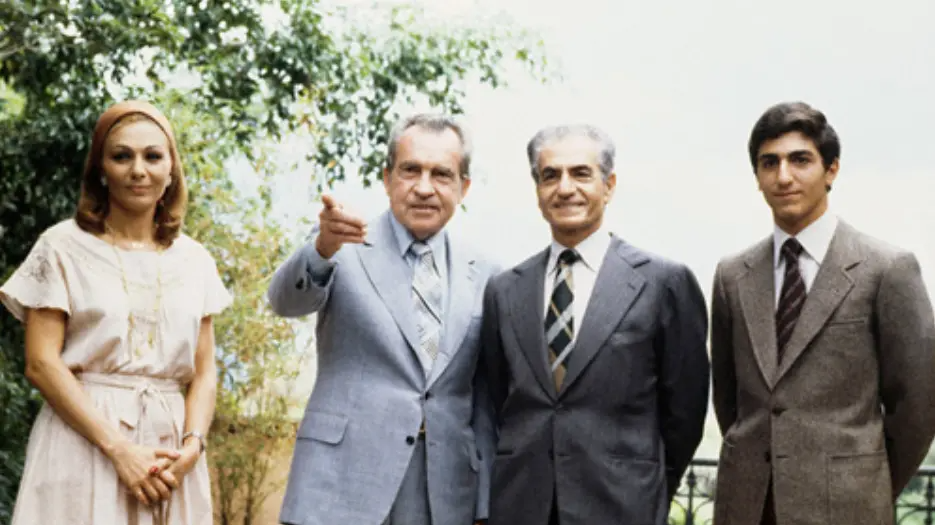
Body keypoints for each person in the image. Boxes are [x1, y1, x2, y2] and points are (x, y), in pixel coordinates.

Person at [0, 100, 232, 524]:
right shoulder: (61, 247)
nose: (138, 170)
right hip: (83, 445)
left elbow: (203, 372)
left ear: (171, 170)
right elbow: (40, 363)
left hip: (169, 455)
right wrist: (119, 450)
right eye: (122, 156)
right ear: (101, 169)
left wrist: (193, 446)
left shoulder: (195, 260)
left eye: (152, 156)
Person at [710, 101, 935, 525]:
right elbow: (729, 398)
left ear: (831, 170)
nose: (784, 176)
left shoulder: (887, 269)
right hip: (747, 505)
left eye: (800, 160)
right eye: (769, 163)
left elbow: (918, 407)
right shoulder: (731, 276)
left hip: (849, 507)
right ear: (756, 176)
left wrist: (863, 482)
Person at [269, 114, 498, 525]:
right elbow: (286, 302)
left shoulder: (486, 272)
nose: (424, 188)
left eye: (441, 175)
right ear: (387, 177)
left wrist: (483, 502)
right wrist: (321, 249)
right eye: (411, 170)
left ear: (463, 187)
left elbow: (483, 398)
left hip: (442, 494)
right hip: (341, 484)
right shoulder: (340, 242)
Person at [480, 124, 710, 525]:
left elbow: (685, 413)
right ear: (537, 191)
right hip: (521, 507)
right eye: (550, 175)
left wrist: (646, 488)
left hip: (623, 506)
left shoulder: (662, 282)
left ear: (609, 185)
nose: (565, 187)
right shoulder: (504, 290)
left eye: (581, 173)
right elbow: (497, 399)